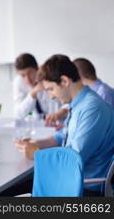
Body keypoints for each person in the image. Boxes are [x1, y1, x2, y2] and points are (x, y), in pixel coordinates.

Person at [14, 54, 114, 196]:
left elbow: (73, 160)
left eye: (50, 89)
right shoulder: (79, 104)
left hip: (84, 189)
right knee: (15, 189)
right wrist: (36, 143)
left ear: (64, 81)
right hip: (71, 182)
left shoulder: (93, 109)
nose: (51, 96)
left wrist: (36, 152)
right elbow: (62, 137)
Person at [13, 53, 67, 127]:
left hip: (60, 124)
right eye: (23, 75)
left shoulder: (50, 76)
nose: (27, 79)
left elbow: (68, 101)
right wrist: (33, 93)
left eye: (30, 73)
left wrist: (60, 113)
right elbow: (19, 114)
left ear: (37, 68)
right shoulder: (19, 82)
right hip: (35, 126)